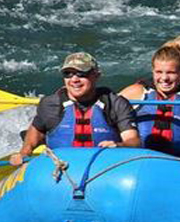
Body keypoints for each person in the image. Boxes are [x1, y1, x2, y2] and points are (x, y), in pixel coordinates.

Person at [10, 52, 141, 166]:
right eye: (68, 74)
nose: (74, 79)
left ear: (96, 75)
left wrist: (118, 146)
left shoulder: (116, 104)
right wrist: (25, 152)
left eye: (81, 73)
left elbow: (133, 141)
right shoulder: (50, 105)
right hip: (61, 170)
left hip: (104, 170)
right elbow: (36, 133)